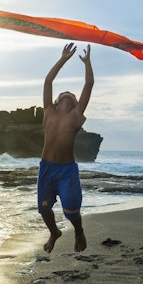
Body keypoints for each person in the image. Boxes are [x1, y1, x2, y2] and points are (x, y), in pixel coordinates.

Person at [38, 43, 93, 253]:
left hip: (66, 171)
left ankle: (78, 230)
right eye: (64, 93)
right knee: (43, 208)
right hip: (47, 169)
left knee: (71, 209)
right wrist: (63, 59)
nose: (68, 93)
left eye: (71, 94)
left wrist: (87, 63)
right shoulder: (48, 112)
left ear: (76, 102)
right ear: (57, 101)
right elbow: (48, 80)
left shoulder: (76, 116)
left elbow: (89, 84)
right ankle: (54, 232)